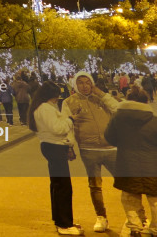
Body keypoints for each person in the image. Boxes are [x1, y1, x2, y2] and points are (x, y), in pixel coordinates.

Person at [63, 71, 121, 233]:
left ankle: (135, 216)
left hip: (111, 148)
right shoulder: (69, 102)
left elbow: (118, 109)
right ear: (75, 85)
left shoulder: (103, 99)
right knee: (95, 185)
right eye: (80, 82)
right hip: (88, 149)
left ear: (92, 83)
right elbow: (67, 126)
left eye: (87, 82)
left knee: (126, 181)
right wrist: (69, 146)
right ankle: (101, 217)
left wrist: (101, 94)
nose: (85, 85)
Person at [29, 81, 83, 235]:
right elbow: (58, 129)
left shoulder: (40, 107)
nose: (57, 99)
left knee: (58, 185)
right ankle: (64, 223)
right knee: (63, 186)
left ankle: (62, 220)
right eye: (56, 96)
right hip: (54, 146)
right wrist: (70, 120)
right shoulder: (46, 108)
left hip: (50, 146)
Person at [104, 87, 157, 237]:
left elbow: (109, 138)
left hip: (127, 165)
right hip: (153, 167)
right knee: (155, 200)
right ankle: (155, 229)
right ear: (146, 101)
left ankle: (135, 228)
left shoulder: (117, 119)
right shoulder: (154, 121)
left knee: (130, 198)